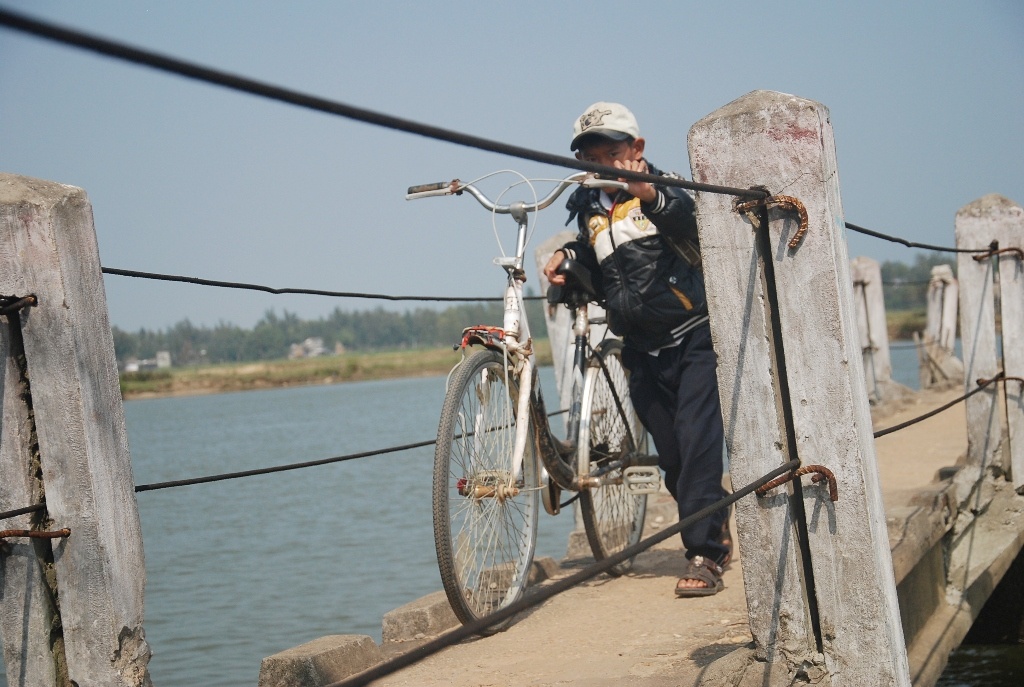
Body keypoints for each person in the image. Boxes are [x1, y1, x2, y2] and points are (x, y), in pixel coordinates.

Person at [543, 102, 730, 597]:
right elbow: (594, 254)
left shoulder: (663, 190)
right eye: (590, 158)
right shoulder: (589, 208)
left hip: (693, 337)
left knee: (696, 444)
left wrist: (649, 195)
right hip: (640, 348)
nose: (601, 164)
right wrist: (568, 254)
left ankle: (705, 556)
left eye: (611, 153)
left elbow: (688, 222)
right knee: (672, 457)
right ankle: (714, 521)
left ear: (636, 148)